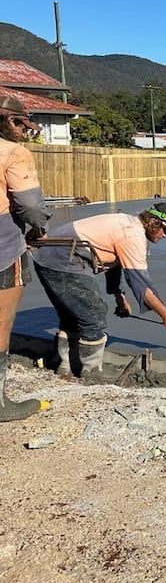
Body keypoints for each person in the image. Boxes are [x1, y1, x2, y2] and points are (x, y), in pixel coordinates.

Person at [32, 202, 166, 378]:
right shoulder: (133, 236)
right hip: (63, 258)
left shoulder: (127, 222)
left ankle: (65, 365)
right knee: (94, 314)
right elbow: (142, 285)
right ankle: (91, 372)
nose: (165, 235)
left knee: (72, 314)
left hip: (47, 255)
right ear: (154, 223)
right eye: (165, 230)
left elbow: (114, 262)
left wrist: (119, 296)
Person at [0, 97, 51, 421]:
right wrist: (40, 226)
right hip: (3, 246)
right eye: (19, 124)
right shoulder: (13, 153)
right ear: (6, 121)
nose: (23, 131)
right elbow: (30, 206)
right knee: (1, 323)